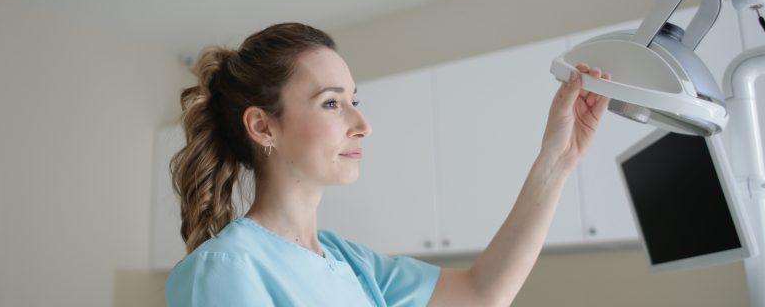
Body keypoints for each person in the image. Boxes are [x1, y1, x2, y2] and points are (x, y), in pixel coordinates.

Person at [165, 22, 610, 306]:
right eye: (331, 103)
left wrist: (558, 158)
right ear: (263, 126)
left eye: (353, 100)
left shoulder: (349, 261)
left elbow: (482, 294)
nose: (362, 124)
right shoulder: (226, 268)